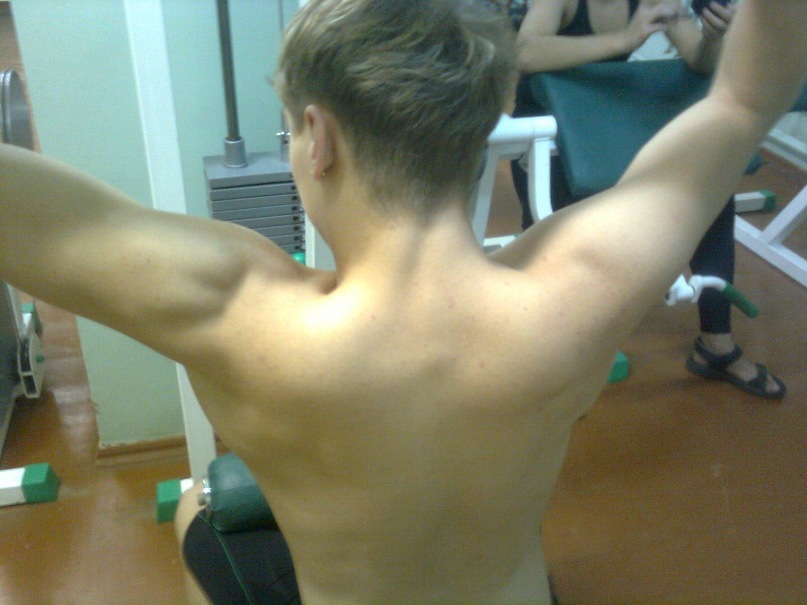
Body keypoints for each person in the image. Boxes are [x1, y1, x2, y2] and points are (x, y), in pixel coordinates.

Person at [0, 0, 804, 602]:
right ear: (484, 120)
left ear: (317, 136)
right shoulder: (583, 285)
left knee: (198, 516)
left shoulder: (236, 311)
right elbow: (743, 99)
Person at [510, 0, 786, 399]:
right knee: (554, 244)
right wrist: (624, 38)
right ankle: (548, 339)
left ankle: (716, 345)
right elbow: (524, 52)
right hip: (548, 125)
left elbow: (700, 60)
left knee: (710, 184)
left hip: (607, 115)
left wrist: (714, 38)